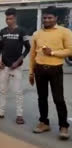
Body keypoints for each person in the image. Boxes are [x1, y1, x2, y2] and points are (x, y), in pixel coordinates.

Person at [29, 6, 72, 140]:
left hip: (55, 69)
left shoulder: (65, 32)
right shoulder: (37, 34)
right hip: (39, 69)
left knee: (58, 99)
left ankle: (63, 126)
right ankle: (44, 123)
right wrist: (31, 72)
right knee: (42, 98)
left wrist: (53, 52)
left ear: (56, 18)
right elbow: (32, 54)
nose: (47, 20)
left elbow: (70, 50)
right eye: (45, 17)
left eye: (50, 17)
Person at [0, 8, 30, 124]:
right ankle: (0, 113)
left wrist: (18, 61)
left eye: (10, 18)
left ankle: (19, 115)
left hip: (16, 67)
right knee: (2, 90)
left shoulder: (22, 31)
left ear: (15, 18)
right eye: (7, 18)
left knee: (18, 91)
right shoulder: (3, 31)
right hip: (5, 66)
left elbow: (28, 48)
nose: (8, 21)